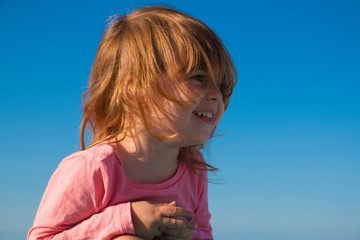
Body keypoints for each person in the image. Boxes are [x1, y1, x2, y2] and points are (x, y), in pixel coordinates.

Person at [28, 5, 236, 240]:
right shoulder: (93, 169)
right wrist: (126, 221)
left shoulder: (193, 170)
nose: (217, 94)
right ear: (135, 89)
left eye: (220, 85)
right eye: (198, 77)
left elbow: (205, 234)